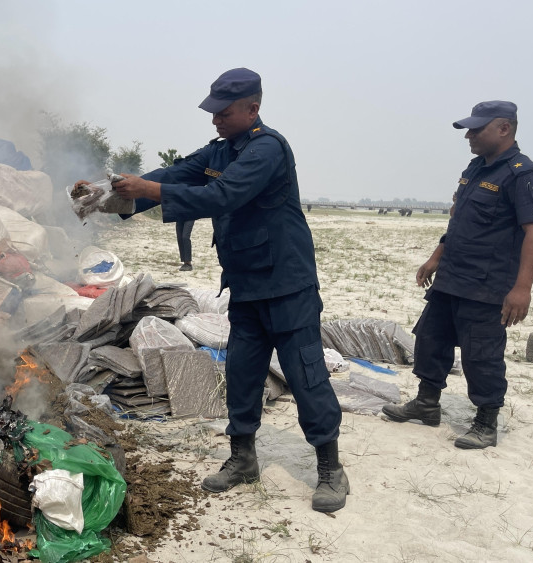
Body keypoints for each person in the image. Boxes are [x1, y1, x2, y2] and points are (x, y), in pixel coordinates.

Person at [92, 67, 347, 512]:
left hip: (286, 286)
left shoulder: (268, 149)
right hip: (247, 286)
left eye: (223, 113)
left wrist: (147, 187)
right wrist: (107, 193)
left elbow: (223, 196)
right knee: (243, 374)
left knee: (306, 375)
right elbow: (176, 174)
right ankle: (242, 458)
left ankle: (330, 467)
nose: (215, 121)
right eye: (212, 113)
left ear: (254, 108)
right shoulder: (220, 150)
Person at [382, 101, 533, 448]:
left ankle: (486, 422)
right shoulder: (476, 169)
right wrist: (435, 258)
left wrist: (522, 289)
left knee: (481, 355)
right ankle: (427, 404)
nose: (470, 136)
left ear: (504, 128)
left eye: (477, 129)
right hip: (452, 277)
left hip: (487, 285)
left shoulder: (523, 174)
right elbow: (460, 221)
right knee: (431, 341)